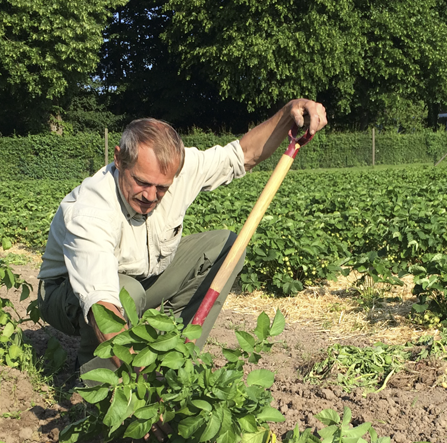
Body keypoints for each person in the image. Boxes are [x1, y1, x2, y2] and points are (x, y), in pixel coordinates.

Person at [36, 99, 328, 374]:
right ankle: (102, 384)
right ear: (119, 159)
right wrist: (142, 390)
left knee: (226, 246)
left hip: (141, 275)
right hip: (68, 292)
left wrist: (287, 114)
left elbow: (243, 155)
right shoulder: (93, 211)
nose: (151, 196)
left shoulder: (182, 168)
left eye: (162, 187)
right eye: (142, 182)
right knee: (126, 295)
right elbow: (102, 306)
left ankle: (173, 361)